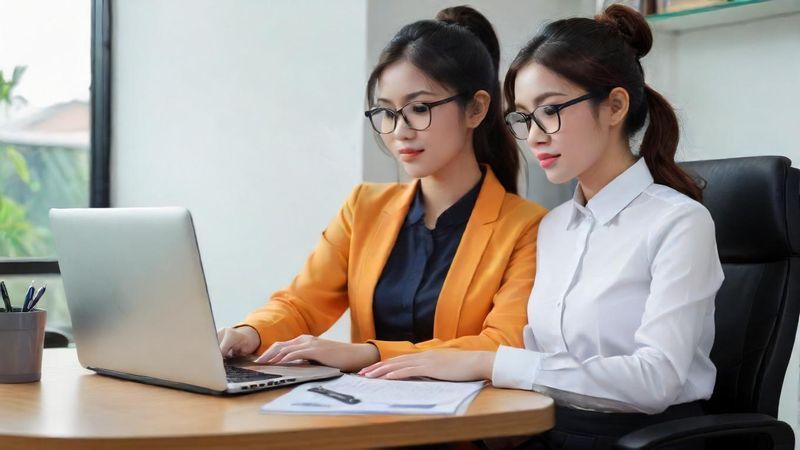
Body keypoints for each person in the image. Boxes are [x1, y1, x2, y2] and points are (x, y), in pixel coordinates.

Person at [360, 5, 723, 448]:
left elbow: (656, 379)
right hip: (546, 429)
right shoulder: (553, 227)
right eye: (523, 117)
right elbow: (539, 359)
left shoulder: (679, 223)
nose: (533, 136)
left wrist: (489, 362)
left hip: (643, 439)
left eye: (549, 111)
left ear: (614, 106)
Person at [217, 6, 547, 373]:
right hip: (364, 405)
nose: (400, 131)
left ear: (476, 109)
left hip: (472, 410)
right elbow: (302, 304)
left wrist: (371, 353)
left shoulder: (527, 227)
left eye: (419, 108)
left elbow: (501, 344)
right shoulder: (363, 207)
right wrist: (250, 332)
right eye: (387, 112)